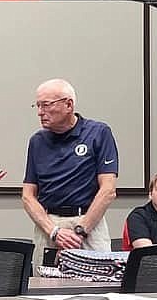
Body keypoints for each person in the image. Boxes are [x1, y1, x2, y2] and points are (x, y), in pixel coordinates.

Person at [22, 78, 118, 269]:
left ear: (68, 104)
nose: (40, 112)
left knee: (96, 286)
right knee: (44, 289)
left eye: (46, 105)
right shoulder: (37, 141)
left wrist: (80, 231)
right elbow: (28, 196)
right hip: (50, 226)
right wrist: (54, 231)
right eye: (38, 105)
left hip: (88, 222)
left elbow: (108, 191)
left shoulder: (98, 133)